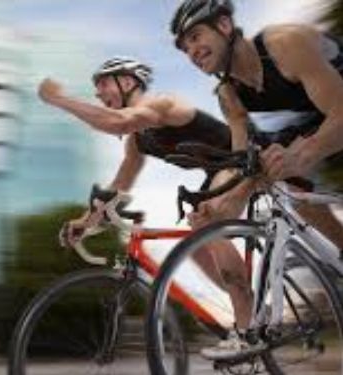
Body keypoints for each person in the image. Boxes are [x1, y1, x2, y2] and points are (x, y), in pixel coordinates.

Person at [170, 0, 343, 360]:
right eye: (184, 47)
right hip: (315, 118)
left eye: (195, 36)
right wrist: (217, 205)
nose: (192, 51)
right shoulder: (228, 94)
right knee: (265, 168)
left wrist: (303, 154)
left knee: (289, 158)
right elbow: (241, 162)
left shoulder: (286, 44)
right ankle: (250, 326)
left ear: (224, 25)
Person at [38, 56, 254, 340]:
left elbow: (117, 122)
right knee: (197, 239)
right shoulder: (138, 141)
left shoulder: (162, 104)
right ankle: (249, 303)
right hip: (217, 173)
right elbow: (119, 186)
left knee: (207, 220)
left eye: (103, 84)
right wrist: (86, 223)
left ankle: (246, 329)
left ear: (128, 82)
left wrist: (60, 99)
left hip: (246, 157)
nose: (98, 93)